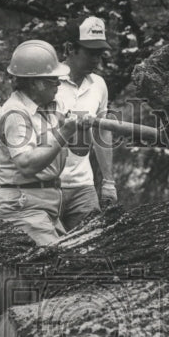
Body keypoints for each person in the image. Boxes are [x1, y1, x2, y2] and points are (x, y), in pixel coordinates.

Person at [0, 39, 90, 246]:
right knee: (59, 263)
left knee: (74, 256)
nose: (59, 84)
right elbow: (27, 164)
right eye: (54, 80)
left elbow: (79, 150)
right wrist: (63, 133)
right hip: (23, 205)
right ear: (36, 83)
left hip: (46, 203)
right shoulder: (16, 113)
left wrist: (80, 130)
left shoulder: (50, 107)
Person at [55, 16, 117, 231]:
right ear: (70, 48)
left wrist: (108, 181)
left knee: (89, 249)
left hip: (83, 186)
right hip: (47, 186)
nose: (96, 59)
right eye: (91, 52)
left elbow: (102, 131)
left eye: (100, 53)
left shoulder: (99, 85)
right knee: (45, 255)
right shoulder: (46, 82)